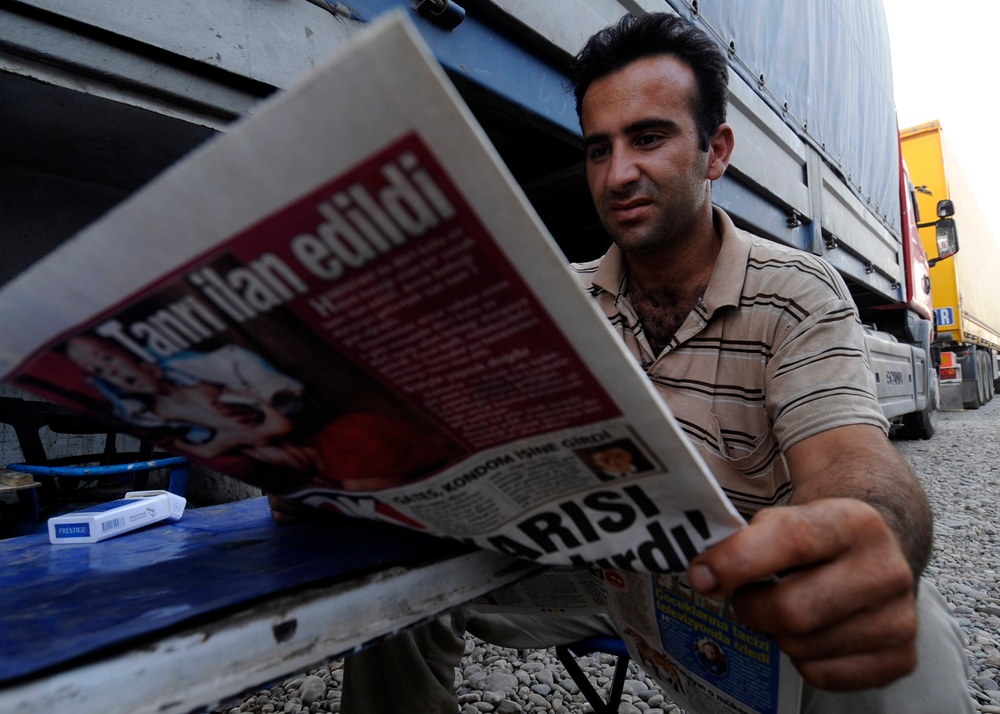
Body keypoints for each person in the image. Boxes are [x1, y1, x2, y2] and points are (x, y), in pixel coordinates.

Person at [276, 12, 974, 713]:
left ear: (716, 150)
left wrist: (872, 534)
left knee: (913, 634)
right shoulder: (560, 300)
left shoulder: (794, 291)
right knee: (398, 582)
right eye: (598, 149)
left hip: (733, 585)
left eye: (648, 138)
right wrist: (330, 472)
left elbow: (851, 461)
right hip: (599, 572)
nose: (619, 174)